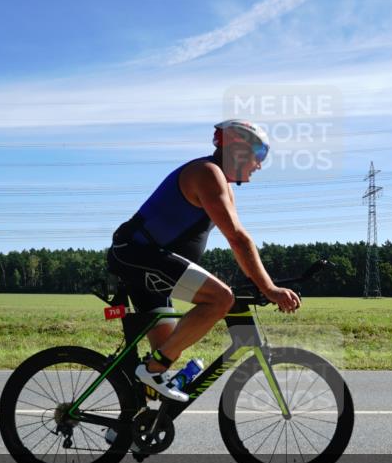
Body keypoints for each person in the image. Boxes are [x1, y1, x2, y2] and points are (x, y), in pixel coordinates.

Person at [107, 119, 300, 402]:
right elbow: (238, 238)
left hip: (145, 261)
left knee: (161, 363)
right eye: (259, 155)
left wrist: (257, 281)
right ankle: (151, 373)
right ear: (237, 150)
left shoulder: (221, 182)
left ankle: (130, 428)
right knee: (221, 299)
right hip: (138, 255)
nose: (259, 164)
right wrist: (269, 288)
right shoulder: (207, 173)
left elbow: (237, 244)